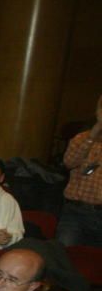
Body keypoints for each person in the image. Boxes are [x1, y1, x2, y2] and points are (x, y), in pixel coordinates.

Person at [56, 94, 102, 247]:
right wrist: (93, 135)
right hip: (75, 211)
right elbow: (69, 162)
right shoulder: (81, 138)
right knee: (63, 256)